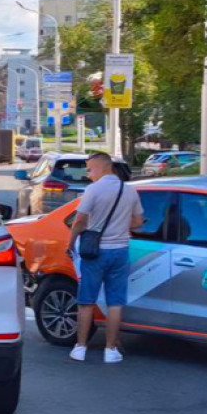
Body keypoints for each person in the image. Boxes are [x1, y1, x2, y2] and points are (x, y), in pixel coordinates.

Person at [67, 152, 144, 363]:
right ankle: (111, 350)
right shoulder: (129, 191)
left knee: (86, 302)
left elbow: (80, 220)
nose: (88, 174)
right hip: (120, 252)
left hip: (95, 252)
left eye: (90, 169)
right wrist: (119, 226)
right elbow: (138, 222)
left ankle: (80, 347)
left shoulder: (93, 190)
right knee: (115, 304)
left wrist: (70, 242)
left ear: (102, 168)